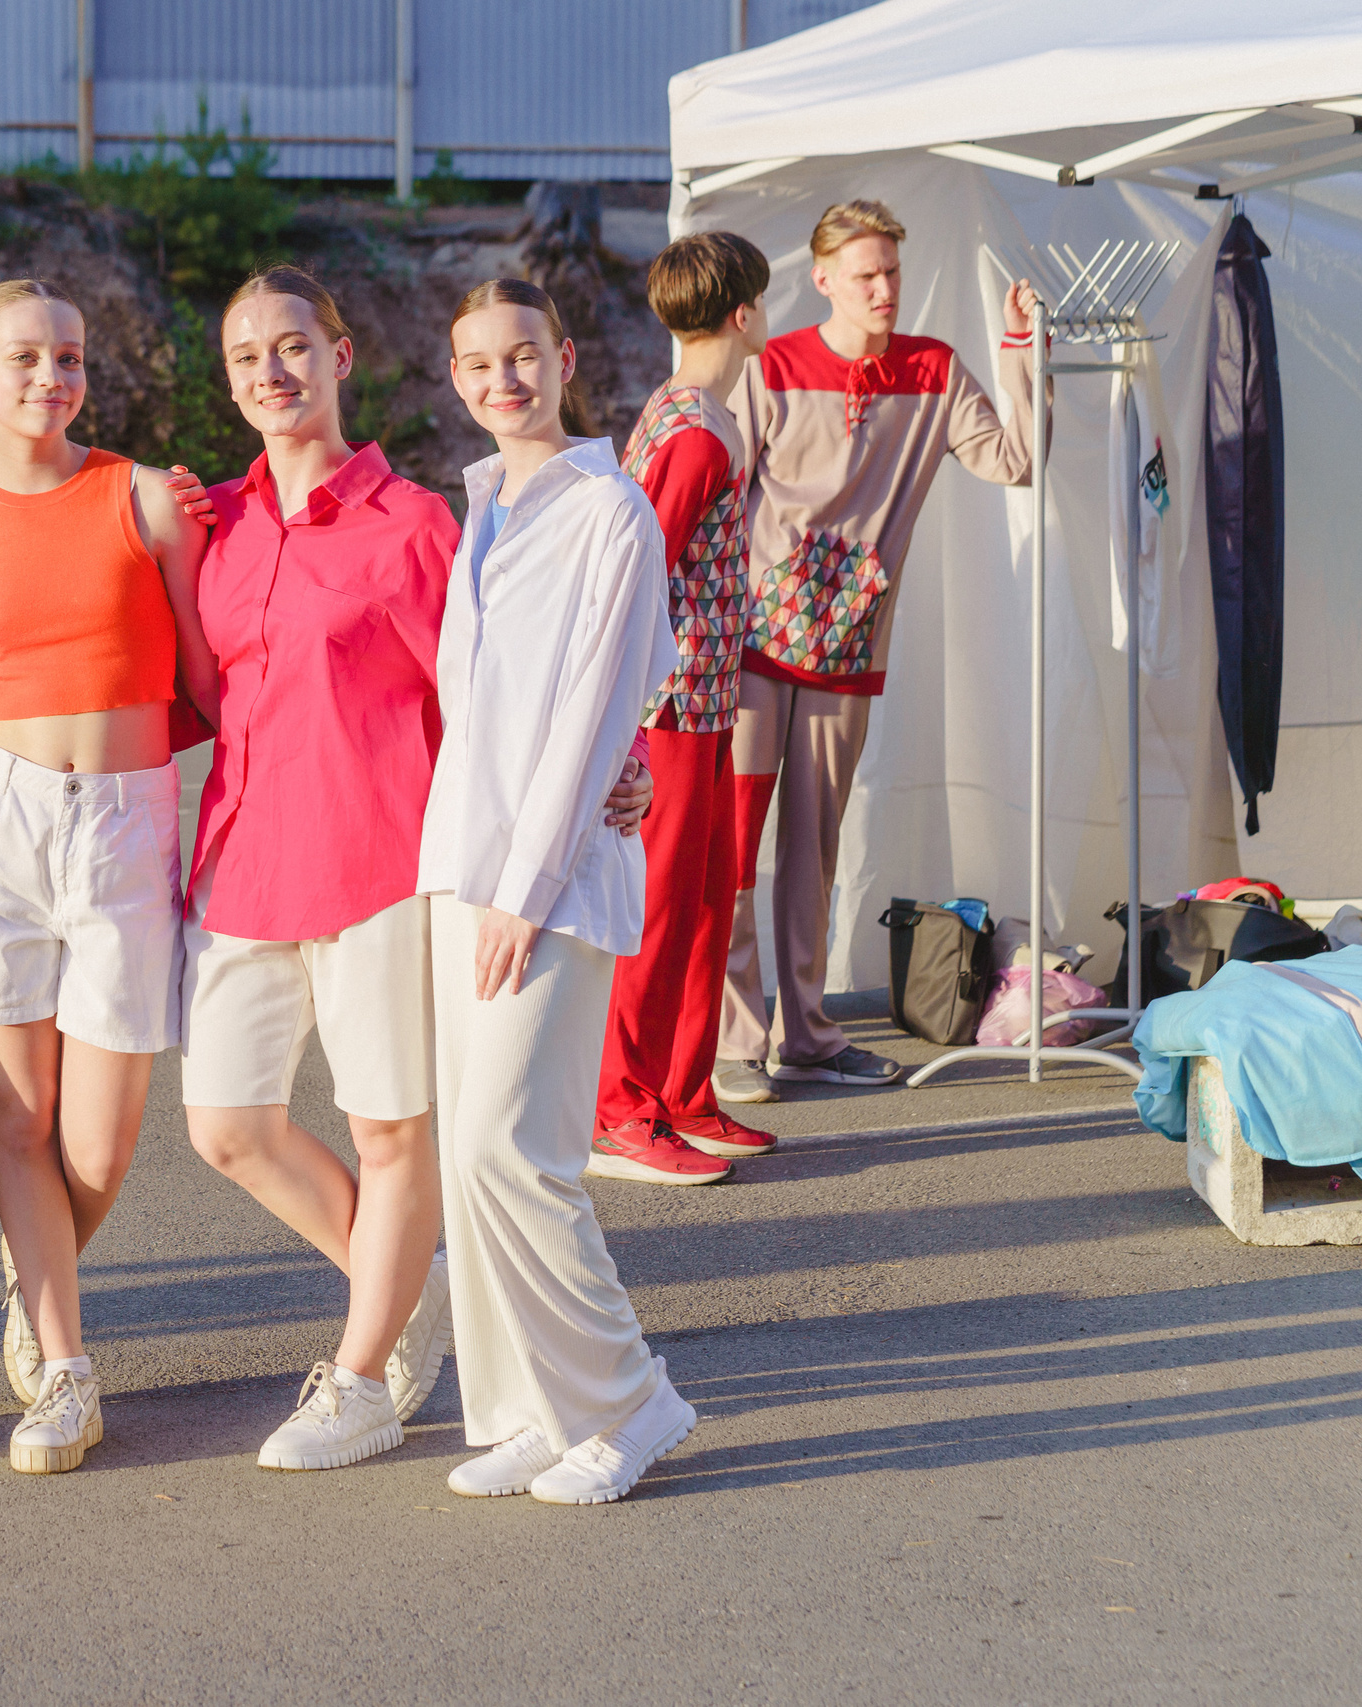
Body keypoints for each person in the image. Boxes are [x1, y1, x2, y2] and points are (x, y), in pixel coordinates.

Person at [173, 264, 648, 1473]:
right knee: (226, 1124)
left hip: (388, 856)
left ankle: (366, 1372)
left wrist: (619, 766)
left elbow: (510, 687)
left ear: (341, 357)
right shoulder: (216, 526)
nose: (271, 373)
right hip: (244, 862)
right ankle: (412, 1285)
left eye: (293, 346)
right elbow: (190, 690)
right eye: (244, 357)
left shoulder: (420, 522)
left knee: (399, 1136)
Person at [0, 279, 219, 1474]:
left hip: (127, 823)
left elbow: (211, 668)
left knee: (98, 1145)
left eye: (71, 358)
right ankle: (66, 1371)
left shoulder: (143, 497)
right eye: (25, 358)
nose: (52, 377)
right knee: (17, 1116)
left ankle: (32, 1271)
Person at [422, 278, 696, 1506]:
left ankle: (628, 1399)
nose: (503, 382)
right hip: (457, 872)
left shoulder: (610, 511)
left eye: (522, 356)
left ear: (564, 357)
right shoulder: (478, 506)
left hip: (551, 882)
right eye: (478, 364)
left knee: (514, 1154)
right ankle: (529, 1406)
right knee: (468, 1162)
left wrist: (525, 889)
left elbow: (598, 713)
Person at [715, 200, 1040, 1101]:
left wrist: (1021, 353)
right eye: (866, 275)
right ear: (822, 281)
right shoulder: (772, 367)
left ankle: (809, 1034)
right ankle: (736, 1040)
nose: (885, 289)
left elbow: (1016, 459)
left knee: (814, 845)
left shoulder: (932, 370)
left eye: (892, 271)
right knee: (736, 844)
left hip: (847, 649)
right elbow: (718, 489)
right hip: (749, 648)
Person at [589, 233, 777, 1186]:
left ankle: (683, 1092)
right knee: (665, 906)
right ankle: (622, 1106)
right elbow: (642, 569)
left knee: (708, 896)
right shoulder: (695, 432)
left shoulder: (692, 412)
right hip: (671, 704)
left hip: (703, 701)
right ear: (745, 313)